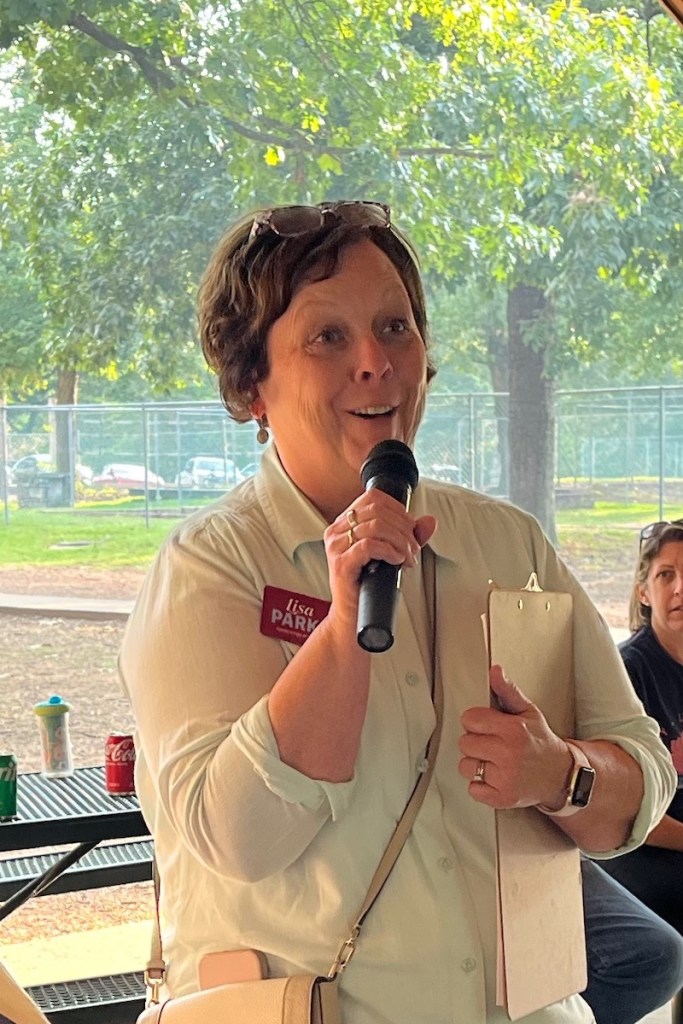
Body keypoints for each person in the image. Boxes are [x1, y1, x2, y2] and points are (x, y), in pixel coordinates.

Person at [119, 201, 676, 1024]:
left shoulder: (507, 543)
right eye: (328, 338)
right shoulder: (210, 569)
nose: (377, 362)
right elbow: (235, 838)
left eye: (396, 327)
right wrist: (343, 633)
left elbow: (644, 779)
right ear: (250, 387)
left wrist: (559, 773)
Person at [599, 520, 683, 1021]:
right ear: (644, 592)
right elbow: (632, 813)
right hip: (637, 842)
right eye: (667, 575)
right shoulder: (628, 671)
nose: (681, 588)